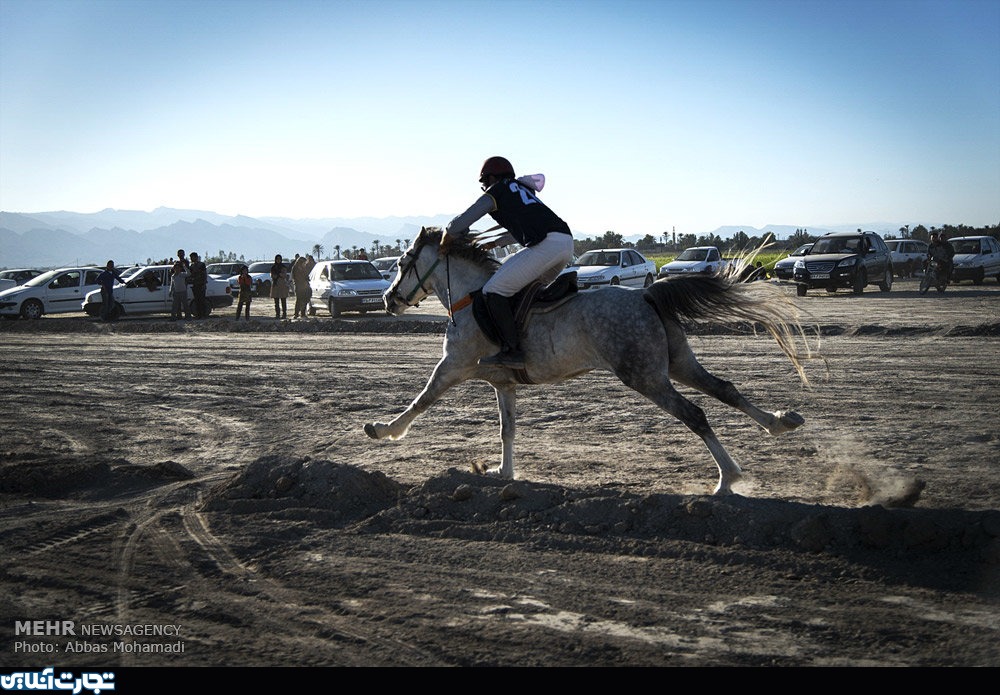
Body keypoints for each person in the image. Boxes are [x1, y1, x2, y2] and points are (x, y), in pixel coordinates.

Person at [439, 156, 573, 368]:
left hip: (547, 246)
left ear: (491, 177)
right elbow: (525, 228)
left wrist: (447, 235)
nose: (484, 188)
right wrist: (495, 242)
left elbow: (459, 224)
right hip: (565, 243)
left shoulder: (497, 190)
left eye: (484, 183)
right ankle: (534, 340)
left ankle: (512, 350)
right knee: (524, 292)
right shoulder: (520, 189)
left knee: (492, 291)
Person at [291, 253, 316, 319]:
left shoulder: (304, 268)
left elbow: (306, 276)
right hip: (298, 286)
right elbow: (294, 277)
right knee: (299, 300)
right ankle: (296, 314)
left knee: (305, 300)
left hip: (305, 286)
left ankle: (303, 314)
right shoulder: (295, 268)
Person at [188, 252, 208, 318]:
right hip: (195, 285)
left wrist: (204, 284)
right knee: (197, 301)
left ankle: (204, 315)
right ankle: (199, 315)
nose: (191, 259)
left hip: (201, 284)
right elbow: (190, 275)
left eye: (192, 257)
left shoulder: (201, 265)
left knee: (202, 300)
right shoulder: (191, 266)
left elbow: (204, 275)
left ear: (196, 257)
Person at [270, 254, 290, 319]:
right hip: (275, 285)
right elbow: (272, 275)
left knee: (283, 300)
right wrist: (277, 275)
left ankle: (284, 314)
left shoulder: (283, 267)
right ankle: (277, 314)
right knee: (276, 301)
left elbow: (284, 275)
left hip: (282, 285)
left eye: (279, 259)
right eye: (277, 259)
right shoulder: (273, 267)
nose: (278, 260)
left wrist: (279, 274)